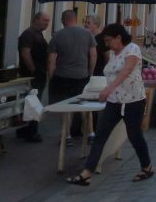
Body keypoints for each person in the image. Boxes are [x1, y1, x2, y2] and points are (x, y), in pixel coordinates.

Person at [66, 23, 153, 186]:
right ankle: (86, 173)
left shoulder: (132, 49)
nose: (107, 44)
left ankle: (147, 166)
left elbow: (126, 71)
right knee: (100, 135)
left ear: (118, 38)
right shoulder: (113, 53)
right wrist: (108, 91)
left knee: (135, 136)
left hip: (133, 101)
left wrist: (108, 89)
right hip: (114, 101)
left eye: (108, 40)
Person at [48, 10, 96, 146]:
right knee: (85, 105)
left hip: (62, 76)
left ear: (63, 20)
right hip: (82, 76)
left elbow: (51, 60)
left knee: (65, 107)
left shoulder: (58, 35)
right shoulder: (87, 34)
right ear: (76, 19)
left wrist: (51, 76)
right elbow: (93, 55)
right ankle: (91, 134)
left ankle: (66, 136)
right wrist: (90, 72)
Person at [16, 12, 50, 143]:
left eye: (48, 21)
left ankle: (23, 131)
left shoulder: (38, 34)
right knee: (33, 104)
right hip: (32, 76)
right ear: (36, 19)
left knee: (29, 103)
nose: (47, 23)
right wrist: (33, 70)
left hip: (38, 74)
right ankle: (31, 133)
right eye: (45, 20)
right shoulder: (29, 34)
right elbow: (25, 53)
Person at [83, 14, 109, 145]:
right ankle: (90, 129)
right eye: (85, 22)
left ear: (96, 25)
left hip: (99, 74)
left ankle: (98, 130)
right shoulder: (89, 37)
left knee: (97, 103)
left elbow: (107, 57)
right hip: (91, 74)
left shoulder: (101, 39)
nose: (86, 25)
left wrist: (106, 73)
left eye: (88, 23)